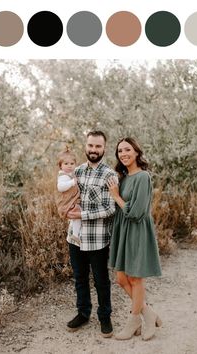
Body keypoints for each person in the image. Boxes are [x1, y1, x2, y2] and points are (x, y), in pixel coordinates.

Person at [107, 137, 162, 341]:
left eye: (127, 149)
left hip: (137, 229)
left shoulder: (143, 177)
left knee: (135, 278)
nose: (123, 154)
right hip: (123, 230)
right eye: (120, 151)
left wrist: (116, 196)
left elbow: (137, 212)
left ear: (137, 152)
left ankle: (134, 320)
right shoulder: (123, 177)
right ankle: (148, 314)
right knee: (121, 278)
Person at [66, 130, 117, 338]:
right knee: (79, 278)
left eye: (98, 146)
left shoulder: (109, 175)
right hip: (75, 237)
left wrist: (82, 214)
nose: (93, 150)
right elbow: (67, 196)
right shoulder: (76, 172)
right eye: (90, 146)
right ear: (85, 146)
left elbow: (110, 208)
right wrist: (66, 209)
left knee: (101, 280)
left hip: (97, 238)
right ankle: (83, 313)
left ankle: (105, 316)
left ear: (104, 148)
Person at [56, 147, 81, 245]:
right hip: (67, 202)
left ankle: (76, 234)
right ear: (60, 166)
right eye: (66, 164)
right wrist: (72, 182)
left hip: (72, 200)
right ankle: (75, 234)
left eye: (72, 164)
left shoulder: (70, 174)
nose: (69, 166)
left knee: (77, 217)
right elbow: (60, 187)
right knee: (77, 215)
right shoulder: (63, 176)